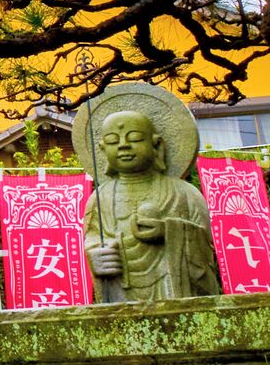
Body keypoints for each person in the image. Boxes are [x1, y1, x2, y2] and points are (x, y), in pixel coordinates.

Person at [83, 105, 220, 303]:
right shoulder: (99, 198)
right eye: (113, 141)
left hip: (175, 292)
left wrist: (169, 231)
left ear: (156, 145)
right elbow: (93, 239)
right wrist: (96, 255)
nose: (123, 145)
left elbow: (205, 245)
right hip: (122, 292)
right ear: (103, 149)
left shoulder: (184, 193)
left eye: (135, 138)